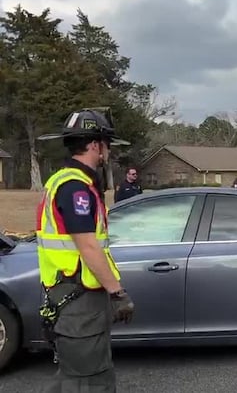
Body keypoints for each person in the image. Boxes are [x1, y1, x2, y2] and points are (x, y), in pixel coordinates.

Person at [36, 108, 136, 392]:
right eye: (107, 144)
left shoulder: (62, 181)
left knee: (76, 375)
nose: (109, 152)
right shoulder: (75, 188)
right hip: (78, 302)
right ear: (95, 145)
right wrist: (117, 292)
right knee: (89, 381)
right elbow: (88, 246)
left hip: (71, 298)